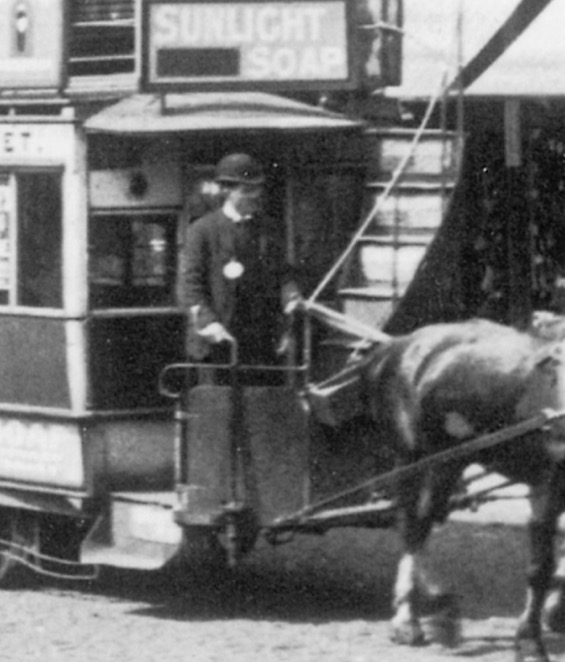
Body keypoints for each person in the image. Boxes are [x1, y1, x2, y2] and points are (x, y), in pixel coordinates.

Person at [183, 153, 301, 381]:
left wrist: (291, 295)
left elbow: (283, 275)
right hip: (216, 346)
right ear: (227, 190)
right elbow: (190, 288)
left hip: (261, 346)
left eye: (257, 190)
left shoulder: (269, 230)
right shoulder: (201, 231)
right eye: (247, 191)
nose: (255, 197)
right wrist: (210, 324)